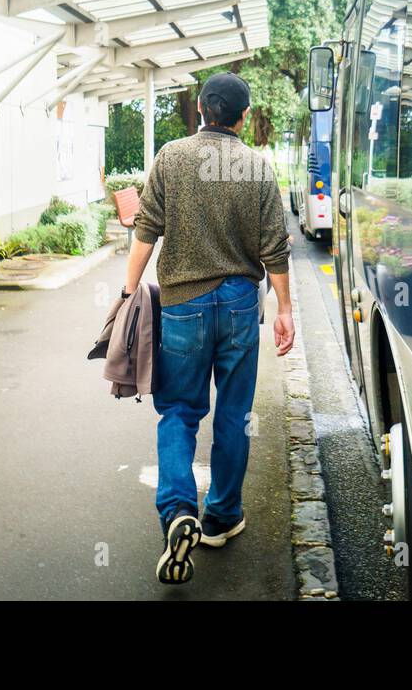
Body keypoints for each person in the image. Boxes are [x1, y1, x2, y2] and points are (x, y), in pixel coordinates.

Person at [124, 72, 295, 586]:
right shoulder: (258, 167)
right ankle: (221, 517)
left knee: (178, 410)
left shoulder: (172, 158)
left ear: (201, 108)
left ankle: (178, 509)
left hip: (183, 304)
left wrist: (126, 294)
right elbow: (276, 249)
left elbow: (145, 231)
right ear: (243, 117)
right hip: (242, 303)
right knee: (235, 413)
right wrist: (284, 309)